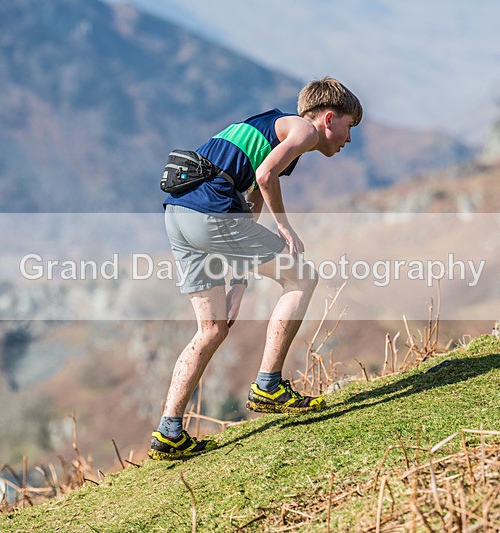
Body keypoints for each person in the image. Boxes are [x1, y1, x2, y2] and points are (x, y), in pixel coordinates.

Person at [148, 77, 363, 460]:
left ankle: (169, 431)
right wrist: (285, 227)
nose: (349, 139)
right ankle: (269, 384)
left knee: (212, 328)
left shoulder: (270, 128)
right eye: (350, 126)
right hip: (210, 215)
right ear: (329, 118)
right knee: (303, 277)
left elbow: (247, 206)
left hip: (179, 216)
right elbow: (265, 177)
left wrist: (239, 284)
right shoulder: (304, 131)